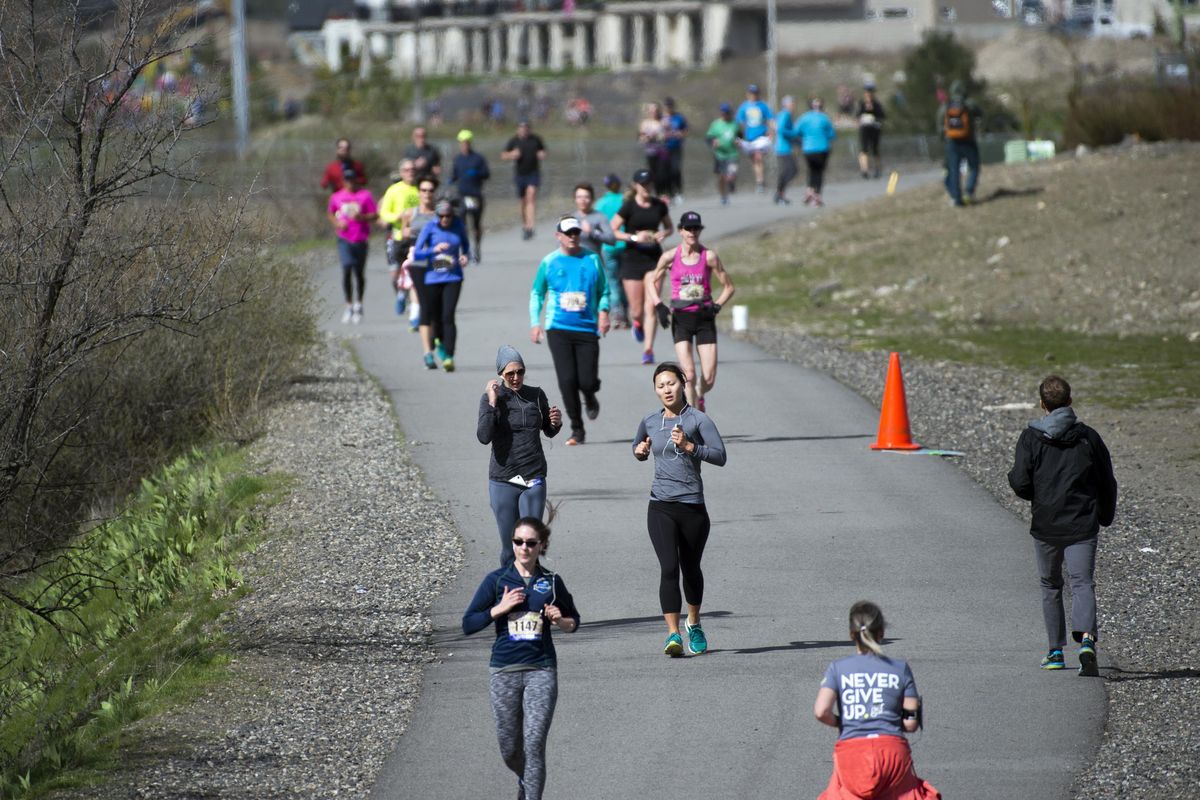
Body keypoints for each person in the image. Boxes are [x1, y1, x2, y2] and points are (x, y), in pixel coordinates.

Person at [461, 514, 579, 800]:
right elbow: (468, 624)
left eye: (530, 543)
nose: (523, 548)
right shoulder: (497, 580)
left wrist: (559, 620)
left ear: (542, 546)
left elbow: (573, 621)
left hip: (541, 669)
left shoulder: (551, 582)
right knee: (510, 747)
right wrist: (499, 609)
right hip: (504, 671)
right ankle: (526, 781)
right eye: (518, 542)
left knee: (535, 742)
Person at [1007, 375, 1117, 676]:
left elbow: (1020, 480)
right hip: (1082, 523)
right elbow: (1107, 482)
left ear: (1042, 404)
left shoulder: (1031, 437)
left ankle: (1055, 652)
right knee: (1082, 583)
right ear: (1070, 401)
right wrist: (1104, 516)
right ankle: (1087, 641)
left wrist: (1037, 497)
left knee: (1051, 585)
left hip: (1046, 525)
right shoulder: (1089, 438)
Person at [632, 363, 726, 657]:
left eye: (671, 383)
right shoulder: (649, 421)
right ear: (655, 390)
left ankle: (694, 623)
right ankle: (673, 635)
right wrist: (640, 452)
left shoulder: (699, 420)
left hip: (692, 507)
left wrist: (690, 446)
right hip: (660, 506)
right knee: (669, 569)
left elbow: (720, 455)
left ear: (683, 383)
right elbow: (638, 445)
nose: (666, 390)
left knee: (691, 569)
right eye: (660, 386)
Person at [813, 601, 942, 800]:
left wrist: (843, 722)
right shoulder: (900, 669)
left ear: (851, 635)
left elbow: (821, 711)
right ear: (882, 632)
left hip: (852, 752)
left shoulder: (838, 668)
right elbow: (910, 723)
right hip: (892, 751)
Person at [478, 345, 563, 567]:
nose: (516, 378)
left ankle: (531, 593)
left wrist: (556, 423)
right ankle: (510, 594)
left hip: (533, 476)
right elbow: (484, 436)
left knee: (530, 541)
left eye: (520, 372)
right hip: (503, 479)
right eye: (510, 373)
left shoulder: (535, 395)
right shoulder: (491, 398)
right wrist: (492, 401)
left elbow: (548, 429)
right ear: (500, 374)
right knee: (510, 547)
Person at [529, 216, 611, 446]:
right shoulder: (549, 262)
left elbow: (605, 290)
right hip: (558, 328)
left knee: (586, 381)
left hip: (587, 328)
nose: (573, 236)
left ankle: (590, 396)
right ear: (559, 236)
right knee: (567, 380)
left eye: (576, 232)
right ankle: (577, 428)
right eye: (568, 233)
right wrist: (535, 323)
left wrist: (604, 312)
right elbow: (537, 293)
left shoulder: (592, 259)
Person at [646, 211, 735, 413]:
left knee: (709, 377)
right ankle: (694, 421)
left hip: (704, 317)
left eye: (696, 228)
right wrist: (659, 304)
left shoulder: (709, 257)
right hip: (681, 318)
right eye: (688, 228)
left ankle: (699, 393)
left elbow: (729, 286)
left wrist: (717, 305)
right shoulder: (670, 256)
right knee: (689, 373)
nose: (692, 232)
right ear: (680, 231)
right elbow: (652, 281)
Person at [610, 170, 673, 365]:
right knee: (637, 310)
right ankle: (637, 323)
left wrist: (664, 234)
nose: (646, 187)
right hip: (632, 259)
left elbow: (669, 226)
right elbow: (613, 230)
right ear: (636, 185)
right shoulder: (628, 206)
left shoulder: (659, 205)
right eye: (643, 184)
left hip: (654, 259)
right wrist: (634, 237)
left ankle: (648, 349)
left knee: (651, 305)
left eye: (649, 184)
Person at [411, 198, 470, 372]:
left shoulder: (458, 225)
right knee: (435, 318)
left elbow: (466, 247)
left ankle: (450, 356)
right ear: (437, 216)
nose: (445, 219)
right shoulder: (430, 227)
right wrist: (433, 250)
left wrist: (465, 256)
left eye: (448, 216)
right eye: (442, 216)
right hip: (432, 278)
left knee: (448, 315)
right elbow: (417, 254)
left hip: (453, 277)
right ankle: (439, 343)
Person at [326, 166, 377, 324]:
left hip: (360, 238)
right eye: (347, 179)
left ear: (356, 179)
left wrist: (362, 217)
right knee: (347, 268)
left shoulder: (365, 195)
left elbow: (375, 214)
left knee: (358, 272)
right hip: (344, 238)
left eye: (352, 179)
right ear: (343, 181)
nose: (350, 182)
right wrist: (337, 223)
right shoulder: (337, 196)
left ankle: (359, 304)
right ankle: (348, 305)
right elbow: (330, 213)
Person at [400, 177, 441, 364]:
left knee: (437, 306)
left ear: (434, 193)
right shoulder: (410, 213)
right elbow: (403, 234)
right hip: (417, 263)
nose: (427, 193)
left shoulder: (440, 215)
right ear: (419, 193)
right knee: (425, 305)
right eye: (423, 190)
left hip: (437, 263)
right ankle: (427, 352)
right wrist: (407, 232)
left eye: (430, 190)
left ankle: (433, 337)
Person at [377, 160, 422, 328]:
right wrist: (397, 216)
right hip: (397, 237)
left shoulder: (421, 190)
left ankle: (415, 310)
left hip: (417, 238)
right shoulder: (394, 190)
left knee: (415, 272)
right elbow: (384, 213)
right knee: (397, 273)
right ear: (401, 172)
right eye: (406, 170)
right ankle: (401, 294)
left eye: (413, 170)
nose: (410, 172)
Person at [938, 79, 983, 207]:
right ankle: (969, 192)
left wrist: (943, 139)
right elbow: (981, 115)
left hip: (952, 142)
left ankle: (956, 199)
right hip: (969, 141)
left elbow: (939, 124)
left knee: (953, 170)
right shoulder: (970, 104)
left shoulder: (946, 106)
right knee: (974, 167)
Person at [593, 173, 629, 328]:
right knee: (625, 281)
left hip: (608, 247)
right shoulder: (625, 201)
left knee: (612, 281)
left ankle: (616, 313)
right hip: (626, 245)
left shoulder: (600, 204)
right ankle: (626, 313)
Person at [502, 120, 546, 240]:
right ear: (518, 129)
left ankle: (531, 227)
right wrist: (512, 155)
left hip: (533, 173)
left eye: (526, 128)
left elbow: (543, 151)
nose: (524, 130)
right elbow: (503, 155)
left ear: (529, 129)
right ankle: (525, 224)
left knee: (531, 198)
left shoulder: (536, 139)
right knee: (523, 201)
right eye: (521, 128)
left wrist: (541, 154)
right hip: (520, 174)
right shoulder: (514, 140)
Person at [451, 129, 491, 262]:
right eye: (462, 143)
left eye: (466, 142)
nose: (464, 145)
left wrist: (477, 173)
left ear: (470, 143)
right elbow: (455, 175)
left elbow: (487, 174)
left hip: (475, 195)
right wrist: (450, 180)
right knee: (462, 225)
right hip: (462, 196)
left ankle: (477, 248)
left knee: (476, 224)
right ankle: (465, 251)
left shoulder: (478, 158)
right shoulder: (457, 159)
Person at [796, 97, 837, 207]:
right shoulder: (825, 118)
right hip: (822, 148)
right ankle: (817, 195)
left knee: (811, 170)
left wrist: (805, 137)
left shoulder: (804, 118)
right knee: (819, 172)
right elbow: (832, 134)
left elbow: (796, 131)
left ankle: (809, 190)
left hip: (808, 149)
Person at [735, 84, 773, 193]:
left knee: (758, 157)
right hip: (749, 138)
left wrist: (771, 131)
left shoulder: (763, 106)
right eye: (751, 93)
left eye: (755, 93)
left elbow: (770, 119)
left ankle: (760, 182)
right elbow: (739, 122)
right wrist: (738, 137)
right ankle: (759, 180)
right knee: (755, 161)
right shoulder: (744, 107)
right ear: (748, 94)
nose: (753, 95)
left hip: (761, 137)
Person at [570, 182, 616, 260]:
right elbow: (560, 243)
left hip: (593, 262)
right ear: (575, 199)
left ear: (592, 199)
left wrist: (592, 232)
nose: (583, 200)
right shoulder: (571, 218)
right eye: (579, 197)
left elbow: (612, 240)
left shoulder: (599, 217)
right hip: (574, 262)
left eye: (586, 197)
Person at [705, 103, 740, 206]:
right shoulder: (716, 124)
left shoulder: (734, 124)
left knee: (731, 174)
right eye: (723, 113)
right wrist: (713, 142)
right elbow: (708, 138)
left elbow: (740, 136)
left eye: (727, 113)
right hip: (719, 155)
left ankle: (731, 183)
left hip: (732, 154)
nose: (724, 115)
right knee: (721, 177)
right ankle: (723, 196)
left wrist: (738, 141)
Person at [637, 102, 671, 198]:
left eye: (655, 110)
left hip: (662, 151)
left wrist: (662, 135)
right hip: (650, 152)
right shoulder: (645, 123)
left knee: (662, 174)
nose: (653, 112)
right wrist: (647, 138)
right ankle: (656, 194)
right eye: (651, 110)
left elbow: (669, 134)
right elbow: (641, 138)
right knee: (652, 174)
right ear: (648, 111)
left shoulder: (663, 121)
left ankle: (664, 193)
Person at [773, 95, 801, 205]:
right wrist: (795, 134)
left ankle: (779, 193)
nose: (793, 106)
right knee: (791, 170)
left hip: (784, 147)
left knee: (790, 171)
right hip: (783, 147)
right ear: (786, 104)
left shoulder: (783, 114)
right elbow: (781, 129)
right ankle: (779, 193)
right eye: (792, 103)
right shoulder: (785, 114)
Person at [857, 83, 887, 179]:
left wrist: (873, 116)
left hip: (874, 129)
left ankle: (877, 169)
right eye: (867, 92)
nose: (868, 94)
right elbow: (858, 114)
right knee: (864, 149)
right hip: (865, 129)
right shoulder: (862, 103)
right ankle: (864, 170)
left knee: (875, 149)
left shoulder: (876, 104)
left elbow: (882, 115)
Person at [663, 97, 689, 204]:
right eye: (667, 106)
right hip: (664, 149)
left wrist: (680, 134)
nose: (669, 108)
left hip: (676, 148)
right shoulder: (662, 118)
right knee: (666, 172)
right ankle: (669, 194)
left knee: (675, 170)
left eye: (670, 106)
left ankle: (679, 193)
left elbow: (686, 130)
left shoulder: (679, 117)